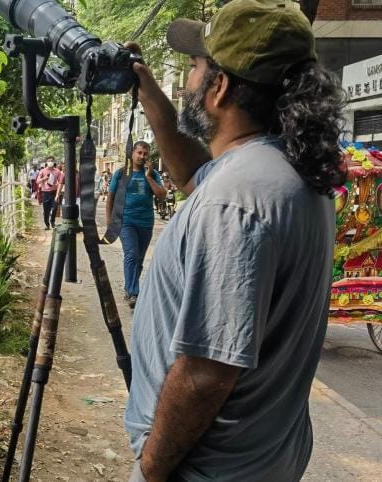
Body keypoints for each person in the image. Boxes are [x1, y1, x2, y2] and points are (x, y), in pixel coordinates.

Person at [123, 2, 346, 481]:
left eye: (193, 66)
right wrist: (149, 93)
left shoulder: (235, 201)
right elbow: (193, 175)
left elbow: (205, 374)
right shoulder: (285, 169)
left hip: (207, 470)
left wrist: (151, 469)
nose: (187, 80)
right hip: (260, 460)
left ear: (219, 86)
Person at [105, 141, 166, 308]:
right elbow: (110, 197)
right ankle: (133, 292)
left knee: (138, 259)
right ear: (132, 153)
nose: (142, 156)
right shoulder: (121, 173)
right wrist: (109, 221)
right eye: (139, 153)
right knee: (131, 254)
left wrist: (149, 177)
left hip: (146, 222)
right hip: (126, 221)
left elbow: (162, 195)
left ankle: (129, 288)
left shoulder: (153, 174)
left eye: (145, 154)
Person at [36, 157, 63, 229]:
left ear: (54, 162)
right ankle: (47, 224)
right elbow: (37, 181)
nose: (50, 162)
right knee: (46, 210)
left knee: (55, 208)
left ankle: (52, 221)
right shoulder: (42, 171)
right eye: (49, 161)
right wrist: (44, 179)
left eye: (52, 161)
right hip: (45, 193)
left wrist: (58, 190)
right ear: (46, 162)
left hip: (54, 193)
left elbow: (61, 181)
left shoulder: (57, 171)